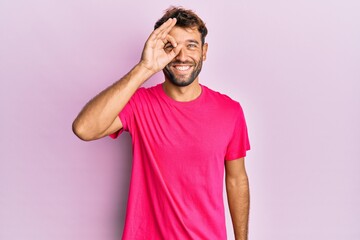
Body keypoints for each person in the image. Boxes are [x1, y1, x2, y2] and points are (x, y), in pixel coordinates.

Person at [72, 6, 250, 240]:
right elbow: (84, 129)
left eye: (191, 45)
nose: (182, 56)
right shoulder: (139, 105)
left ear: (204, 51)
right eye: (171, 46)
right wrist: (144, 67)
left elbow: (237, 180)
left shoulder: (230, 111)